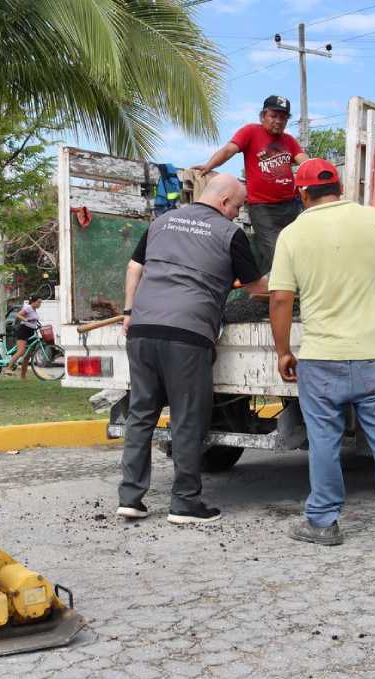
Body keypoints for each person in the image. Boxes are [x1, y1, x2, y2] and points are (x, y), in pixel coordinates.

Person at [267, 158, 375, 551]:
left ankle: (323, 523)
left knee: (324, 442)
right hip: (373, 355)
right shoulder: (371, 219)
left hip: (320, 359)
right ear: (340, 186)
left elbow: (281, 297)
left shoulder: (292, 233)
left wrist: (283, 351)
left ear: (302, 194)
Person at [118, 174, 268, 525]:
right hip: (186, 334)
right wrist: (291, 283)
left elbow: (134, 266)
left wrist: (128, 311)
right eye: (238, 206)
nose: (238, 213)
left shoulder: (163, 221)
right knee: (187, 418)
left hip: (141, 328)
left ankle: (130, 498)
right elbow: (254, 287)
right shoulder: (230, 234)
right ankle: (184, 503)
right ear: (224, 201)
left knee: (141, 415)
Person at [194, 95, 309, 273]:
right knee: (275, 251)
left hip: (290, 205)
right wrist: (209, 165)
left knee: (294, 248)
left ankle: (264, 292)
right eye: (274, 116)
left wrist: (320, 173)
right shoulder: (250, 132)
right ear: (262, 116)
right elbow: (229, 150)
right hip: (263, 207)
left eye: (283, 117)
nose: (278, 121)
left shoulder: (289, 141)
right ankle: (282, 294)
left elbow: (306, 162)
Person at [7, 295, 42, 379]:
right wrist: (25, 320)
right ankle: (8, 368)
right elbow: (18, 315)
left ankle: (23, 375)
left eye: (40, 302)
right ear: (33, 302)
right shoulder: (28, 308)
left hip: (31, 331)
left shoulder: (34, 310)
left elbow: (33, 320)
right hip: (23, 330)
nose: (40, 304)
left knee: (28, 355)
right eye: (38, 302)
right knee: (21, 351)